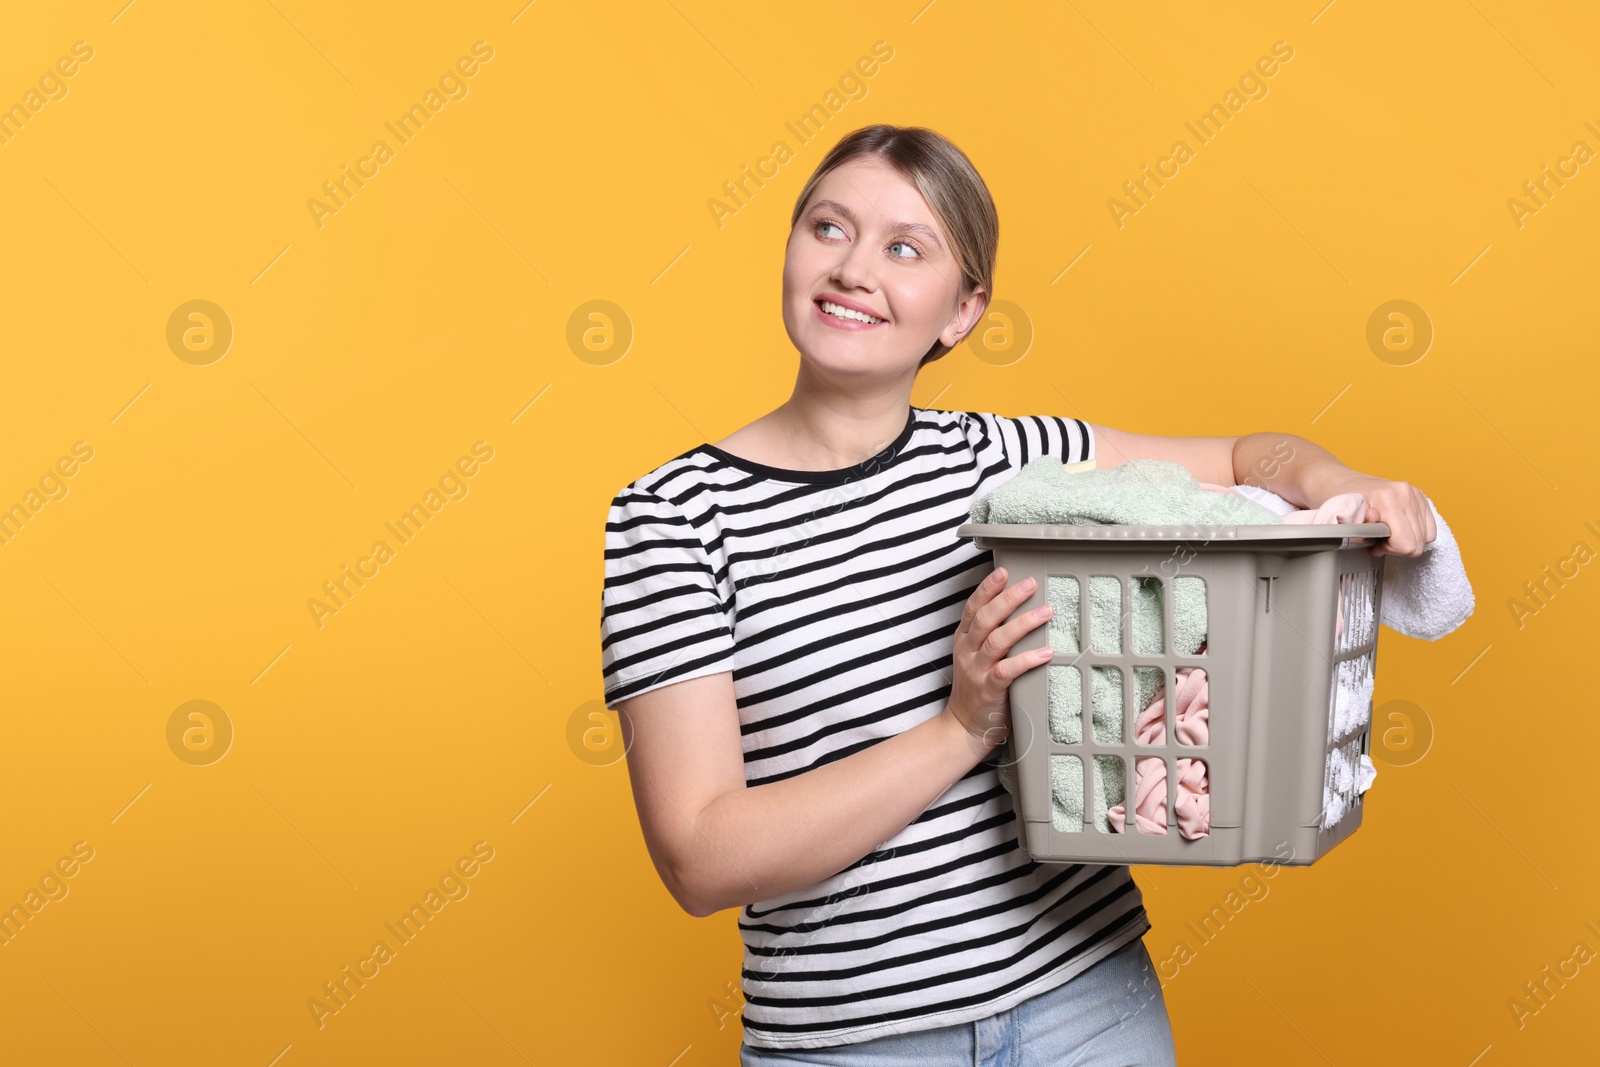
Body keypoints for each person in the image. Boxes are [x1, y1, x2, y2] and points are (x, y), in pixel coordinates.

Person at [599, 124, 1435, 1064]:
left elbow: (1253, 460)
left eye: (905, 248)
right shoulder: (673, 518)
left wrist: (1339, 487)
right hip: (854, 1044)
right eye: (829, 228)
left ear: (962, 311)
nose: (854, 269)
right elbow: (701, 857)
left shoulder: (1008, 467)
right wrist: (963, 724)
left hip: (1091, 1003)